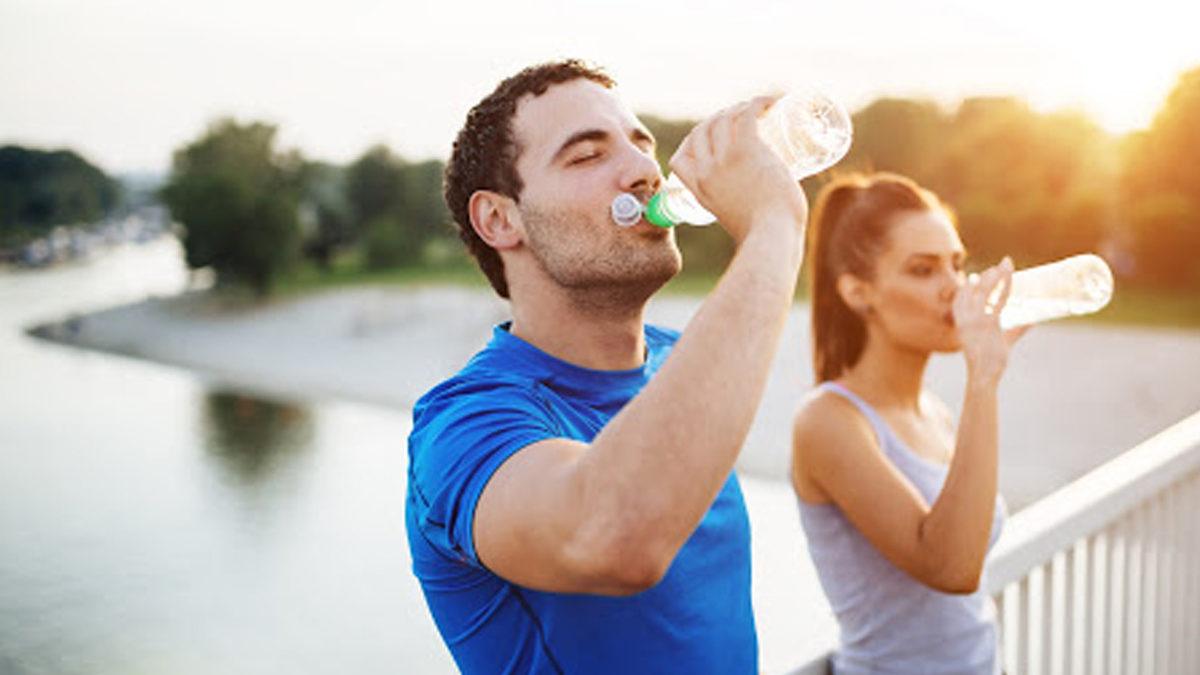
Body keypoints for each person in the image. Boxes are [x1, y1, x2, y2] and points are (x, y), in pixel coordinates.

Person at [405, 59, 809, 673]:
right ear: (500, 219)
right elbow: (613, 537)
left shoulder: (681, 363)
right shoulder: (461, 427)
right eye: (587, 156)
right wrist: (774, 224)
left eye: (642, 146)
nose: (645, 171)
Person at [791, 172, 1026, 674]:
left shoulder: (935, 412)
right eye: (924, 270)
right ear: (859, 292)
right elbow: (952, 566)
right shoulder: (828, 421)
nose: (955, 288)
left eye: (957, 265)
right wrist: (983, 380)